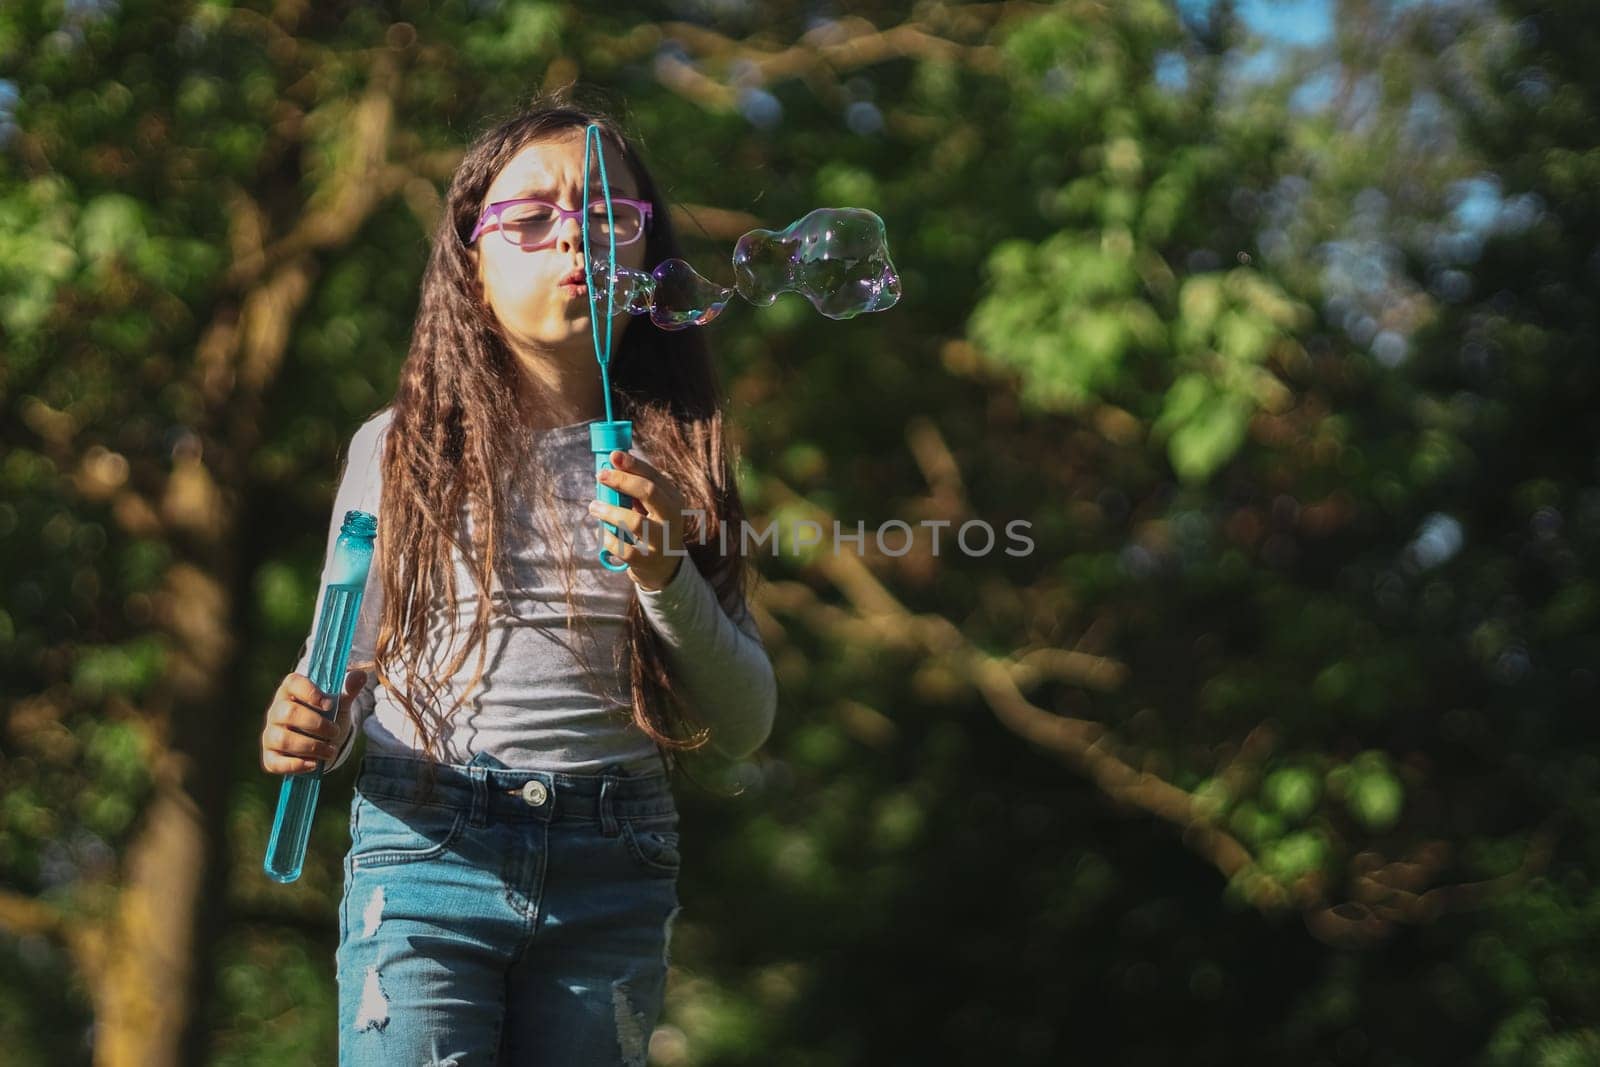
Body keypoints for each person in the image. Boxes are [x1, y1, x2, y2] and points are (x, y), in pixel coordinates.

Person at [258, 88, 778, 1066]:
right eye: (532, 217)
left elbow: (745, 720)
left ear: (643, 257)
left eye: (606, 217)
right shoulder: (400, 447)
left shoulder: (677, 461)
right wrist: (308, 725)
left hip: (613, 859)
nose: (574, 240)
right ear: (469, 257)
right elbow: (340, 663)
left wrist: (665, 568)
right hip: (426, 845)